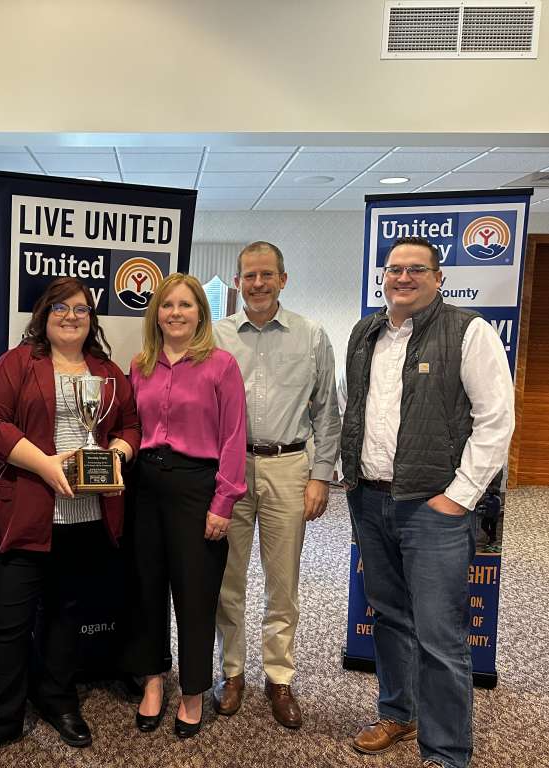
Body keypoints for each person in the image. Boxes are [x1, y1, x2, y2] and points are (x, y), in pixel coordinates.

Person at [341, 236, 514, 768]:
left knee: (441, 634)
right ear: (383, 278)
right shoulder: (365, 332)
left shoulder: (469, 331)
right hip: (371, 500)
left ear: (438, 278)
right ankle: (397, 713)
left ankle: (445, 751)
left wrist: (459, 498)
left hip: (433, 509)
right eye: (395, 269)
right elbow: (356, 409)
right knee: (390, 616)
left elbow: (495, 421)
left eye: (417, 269)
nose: (404, 278)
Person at [0, 277, 139, 765]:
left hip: (84, 518)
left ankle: (57, 699)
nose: (71, 316)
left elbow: (129, 424)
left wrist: (117, 454)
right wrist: (45, 463)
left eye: (81, 309)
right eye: (60, 307)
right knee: (5, 620)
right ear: (43, 314)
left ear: (92, 318)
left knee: (66, 617)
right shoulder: (18, 364)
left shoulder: (106, 371)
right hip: (25, 512)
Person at [211, 241, 341, 727]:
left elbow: (328, 410)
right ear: (238, 281)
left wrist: (321, 475)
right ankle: (233, 672)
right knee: (229, 579)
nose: (259, 283)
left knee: (282, 582)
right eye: (250, 276)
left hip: (290, 467)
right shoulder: (218, 336)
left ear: (283, 279)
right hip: (232, 468)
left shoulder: (311, 335)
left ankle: (279, 677)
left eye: (267, 274)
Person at [126, 274, 246, 738]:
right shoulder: (141, 365)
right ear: (156, 312)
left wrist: (224, 501)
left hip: (199, 488)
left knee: (195, 597)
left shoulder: (221, 365)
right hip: (146, 485)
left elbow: (234, 438)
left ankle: (193, 691)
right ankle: (153, 682)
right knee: (146, 591)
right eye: (167, 305)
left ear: (201, 312)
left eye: (186, 305)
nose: (175, 313)